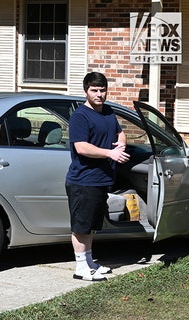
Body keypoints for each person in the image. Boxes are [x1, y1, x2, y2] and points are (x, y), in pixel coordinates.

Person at [65, 72, 129, 281]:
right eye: (94, 90)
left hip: (101, 179)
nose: (99, 94)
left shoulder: (108, 112)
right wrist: (110, 153)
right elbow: (81, 147)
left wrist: (121, 144)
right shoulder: (80, 116)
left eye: (102, 90)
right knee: (81, 226)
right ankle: (80, 267)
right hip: (84, 180)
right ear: (86, 91)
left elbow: (120, 131)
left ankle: (90, 262)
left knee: (91, 225)